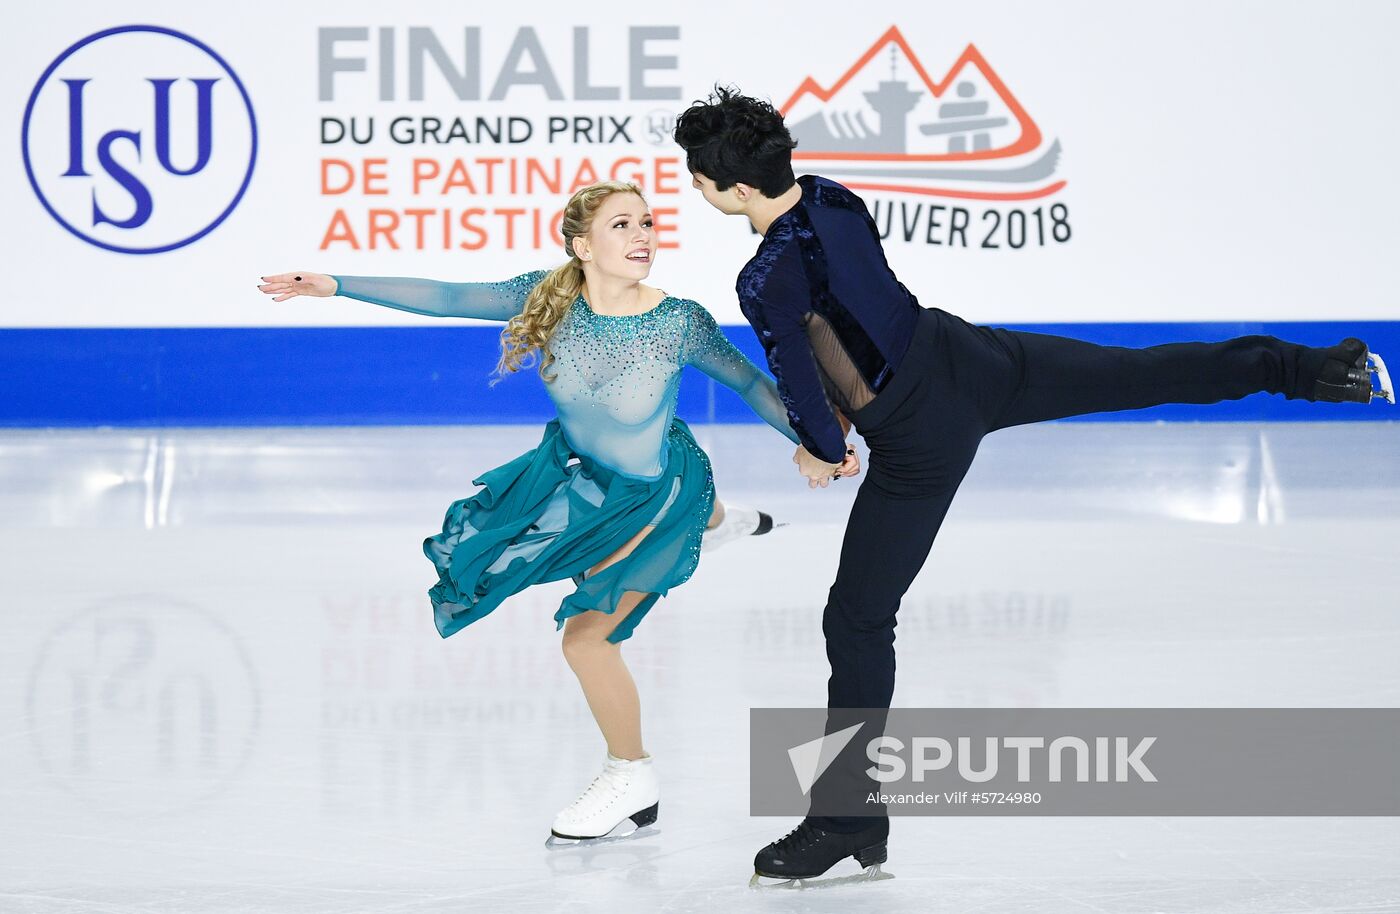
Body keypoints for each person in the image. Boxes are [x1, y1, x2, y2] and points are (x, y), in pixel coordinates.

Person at [672, 86, 1393, 883]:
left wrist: (818, 446)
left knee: (857, 621)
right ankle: (1318, 370)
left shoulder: (765, 274)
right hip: (972, 360)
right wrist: (833, 419)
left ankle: (848, 818)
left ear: (734, 189)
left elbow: (802, 376)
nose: (696, 189)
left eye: (699, 179)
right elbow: (855, 309)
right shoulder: (837, 197)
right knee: (1141, 373)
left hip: (918, 437)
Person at [256, 180, 826, 846]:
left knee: (586, 640)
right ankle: (723, 523)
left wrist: (818, 443)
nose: (642, 235)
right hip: (589, 482)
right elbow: (445, 298)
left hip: (658, 491)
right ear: (583, 245)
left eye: (647, 222)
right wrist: (336, 284)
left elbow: (754, 384)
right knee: (494, 554)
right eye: (621, 226)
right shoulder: (547, 299)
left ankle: (631, 775)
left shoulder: (679, 322)